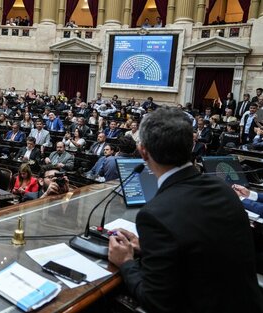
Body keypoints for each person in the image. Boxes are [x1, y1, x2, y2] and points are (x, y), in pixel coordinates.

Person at [108, 107, 263, 313]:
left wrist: (126, 261)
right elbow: (202, 249)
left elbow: (157, 302)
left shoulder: (155, 214)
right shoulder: (224, 190)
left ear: (143, 152)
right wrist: (151, 249)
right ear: (191, 144)